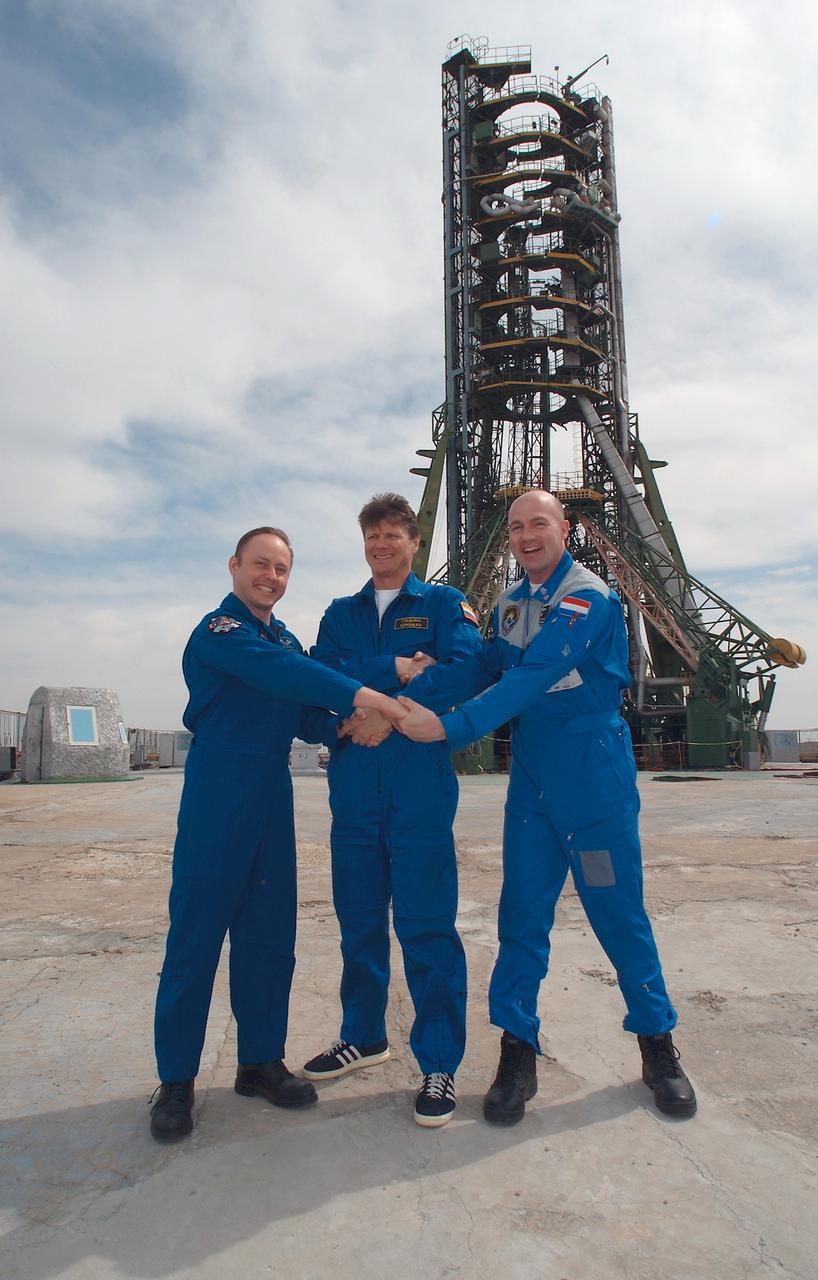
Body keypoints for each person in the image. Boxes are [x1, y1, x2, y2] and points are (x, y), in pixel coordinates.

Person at [397, 490, 697, 1125]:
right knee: (522, 917)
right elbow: (480, 668)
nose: (527, 535)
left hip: (592, 781)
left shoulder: (589, 598)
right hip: (532, 784)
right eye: (516, 527)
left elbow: (532, 675)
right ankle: (517, 1047)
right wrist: (391, 695)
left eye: (540, 524)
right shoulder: (507, 608)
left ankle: (657, 1044)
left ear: (565, 529)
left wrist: (451, 729)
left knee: (617, 913)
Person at [150, 527, 405, 1141]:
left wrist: (352, 722)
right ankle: (177, 1082)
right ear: (235, 565)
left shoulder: (282, 636)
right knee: (196, 937)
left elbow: (307, 712)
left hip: (271, 794)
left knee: (269, 936)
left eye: (282, 569)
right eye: (260, 564)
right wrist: (371, 696)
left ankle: (259, 1061)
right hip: (219, 792)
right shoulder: (222, 633)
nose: (270, 576)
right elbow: (290, 676)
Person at [302, 494, 484, 1127]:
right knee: (358, 921)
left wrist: (382, 709)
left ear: (414, 542)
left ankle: (438, 1062)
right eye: (372, 536)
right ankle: (364, 1035)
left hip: (417, 789)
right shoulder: (341, 612)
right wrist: (393, 671)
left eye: (393, 536)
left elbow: (466, 669)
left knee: (427, 926)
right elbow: (319, 673)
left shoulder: (442, 603)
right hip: (353, 790)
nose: (382, 545)